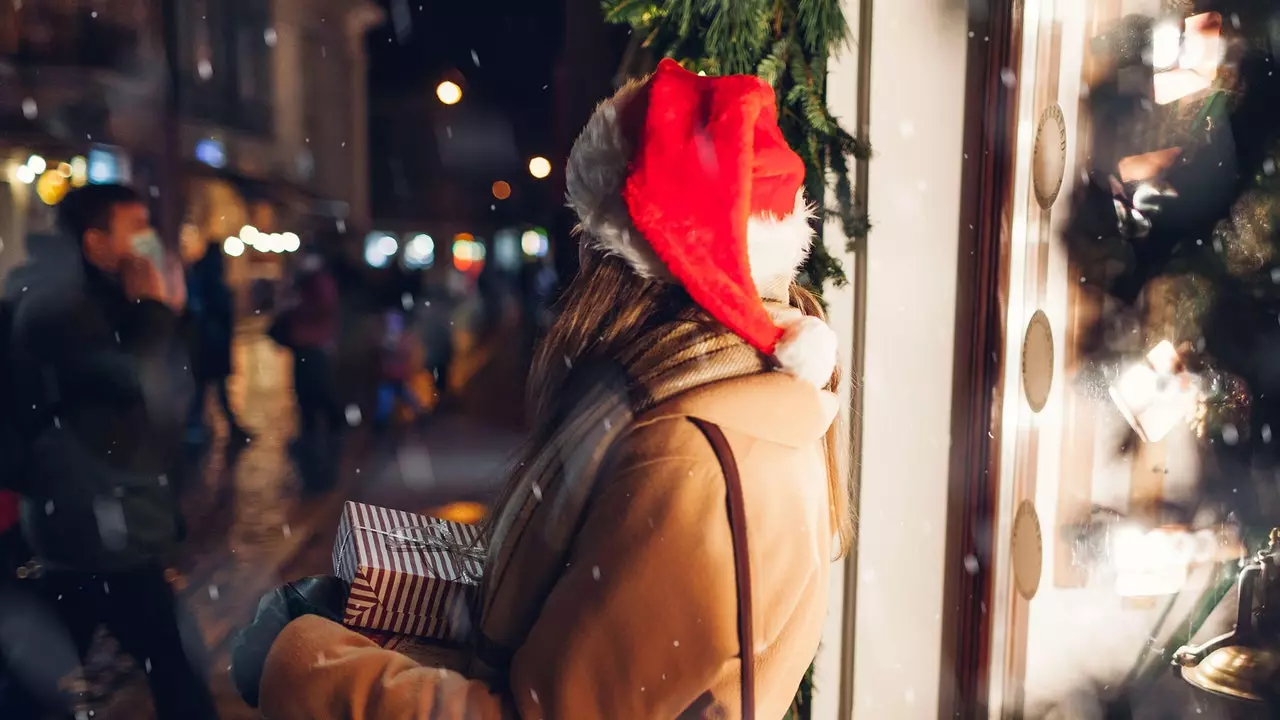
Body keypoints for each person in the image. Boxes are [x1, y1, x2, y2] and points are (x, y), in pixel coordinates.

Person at [230, 59, 848, 718]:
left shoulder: (688, 458)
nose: (578, 253)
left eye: (593, 235)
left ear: (635, 260)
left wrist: (308, 664)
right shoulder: (709, 411)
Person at [0, 184, 218, 718]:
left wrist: (173, 310)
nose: (148, 242)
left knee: (49, 668)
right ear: (96, 242)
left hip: (98, 516)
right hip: (93, 517)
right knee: (172, 666)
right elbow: (131, 379)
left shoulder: (105, 296)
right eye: (136, 229)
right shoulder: (52, 304)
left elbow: (180, 378)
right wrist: (152, 307)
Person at [186, 236, 251, 445]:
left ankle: (199, 427)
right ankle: (198, 428)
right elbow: (221, 311)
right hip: (213, 343)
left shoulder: (201, 278)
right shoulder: (213, 282)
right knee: (209, 388)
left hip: (208, 343)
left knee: (205, 388)